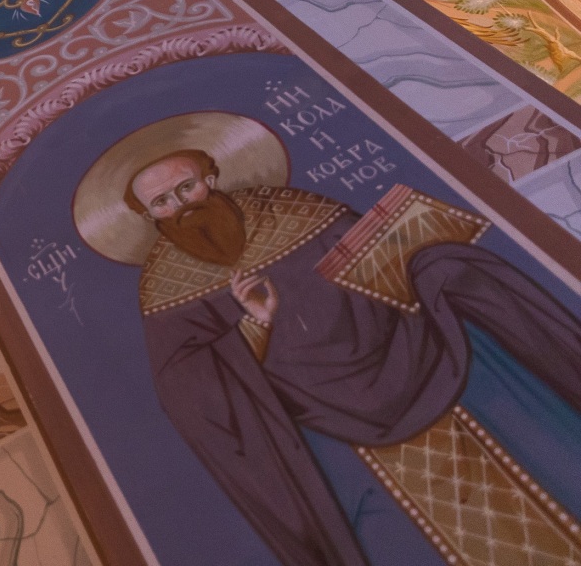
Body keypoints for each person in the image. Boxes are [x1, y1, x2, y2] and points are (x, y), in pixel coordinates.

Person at [79, 115, 581, 566]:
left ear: (210, 178)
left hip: (408, 352)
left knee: (448, 268)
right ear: (148, 216)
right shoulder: (163, 286)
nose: (179, 206)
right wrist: (256, 326)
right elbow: (190, 394)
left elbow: (380, 261)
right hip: (309, 420)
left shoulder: (295, 209)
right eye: (161, 203)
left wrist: (417, 247)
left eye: (185, 187)